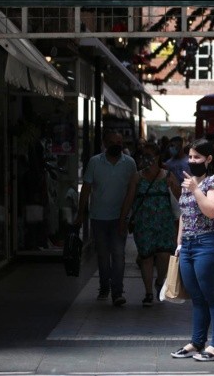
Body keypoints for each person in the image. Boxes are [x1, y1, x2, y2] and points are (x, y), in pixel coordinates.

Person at [170, 138, 214, 362]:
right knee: (197, 298)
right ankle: (197, 342)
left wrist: (196, 190)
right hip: (188, 246)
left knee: (213, 297)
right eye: (190, 156)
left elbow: (212, 210)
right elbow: (184, 217)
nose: (192, 161)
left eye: (197, 157)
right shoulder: (189, 182)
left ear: (209, 159)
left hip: (209, 244)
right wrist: (179, 244)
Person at [75, 131, 137, 306]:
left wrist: (128, 216)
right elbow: (86, 189)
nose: (116, 144)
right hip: (98, 217)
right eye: (112, 142)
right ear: (104, 143)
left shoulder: (130, 163)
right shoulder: (95, 162)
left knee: (118, 254)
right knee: (103, 255)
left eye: (119, 141)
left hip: (120, 217)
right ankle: (104, 286)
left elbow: (133, 190)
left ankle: (117, 291)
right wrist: (80, 213)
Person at [119, 143, 181, 307]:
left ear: (157, 157)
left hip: (165, 224)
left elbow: (180, 197)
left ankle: (160, 280)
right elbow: (129, 199)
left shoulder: (168, 175)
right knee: (146, 257)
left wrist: (174, 187)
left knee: (164, 256)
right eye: (143, 155)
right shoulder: (137, 177)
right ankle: (148, 293)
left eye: (149, 155)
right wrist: (123, 220)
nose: (146, 159)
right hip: (144, 223)